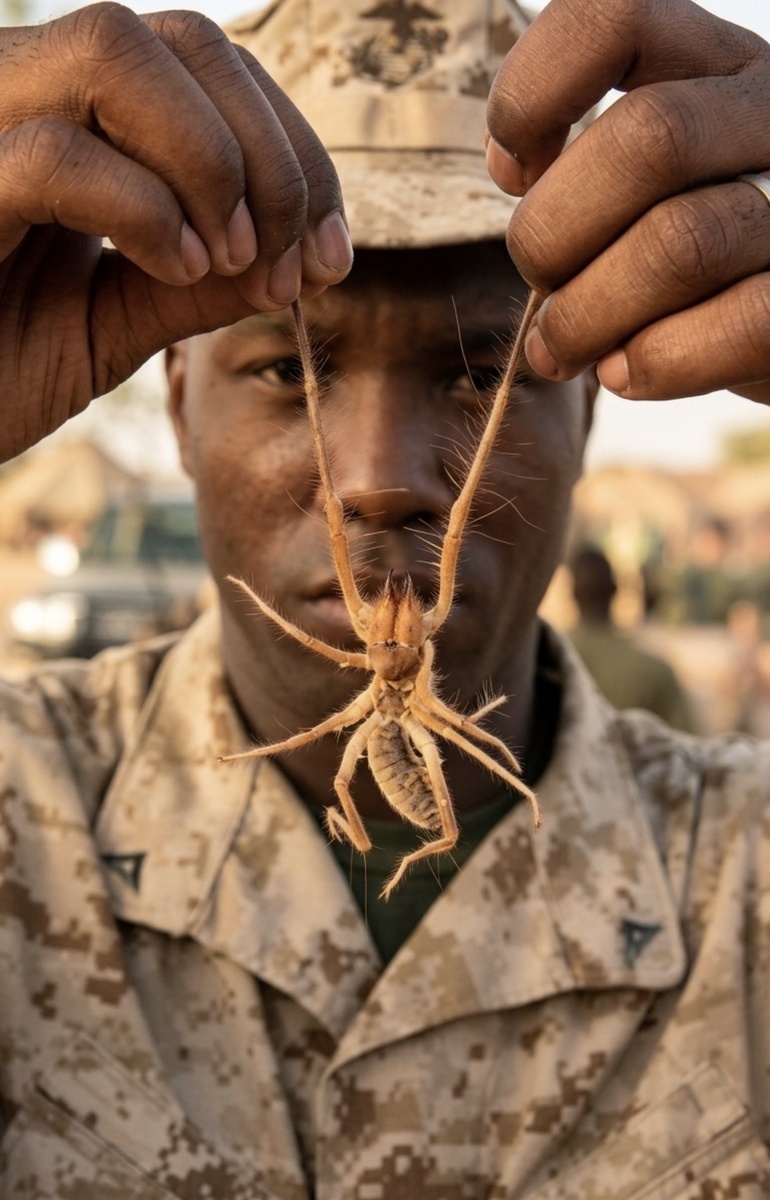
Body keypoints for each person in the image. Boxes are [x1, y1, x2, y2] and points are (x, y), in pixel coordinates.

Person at [1, 0, 770, 1196]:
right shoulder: (21, 818)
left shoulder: (743, 879)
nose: (375, 483)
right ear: (175, 406)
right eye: (285, 367)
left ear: (587, 414)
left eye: (479, 373)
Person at [568, 545, 698, 730]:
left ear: (573, 593)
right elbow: (688, 747)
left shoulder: (549, 664)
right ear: (615, 590)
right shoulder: (655, 671)